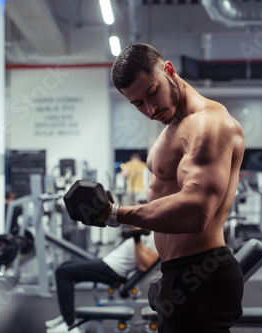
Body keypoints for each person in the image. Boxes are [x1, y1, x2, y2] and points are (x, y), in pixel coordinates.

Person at [105, 43, 245, 332]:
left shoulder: (208, 124)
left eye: (152, 92)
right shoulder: (173, 129)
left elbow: (196, 212)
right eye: (138, 104)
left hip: (202, 273)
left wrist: (117, 214)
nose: (150, 108)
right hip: (178, 273)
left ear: (169, 70)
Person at [46, 229, 159, 333]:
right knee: (65, 266)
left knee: (63, 273)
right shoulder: (150, 232)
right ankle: (66, 315)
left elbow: (144, 266)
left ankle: (69, 325)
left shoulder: (155, 237)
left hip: (112, 269)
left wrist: (137, 238)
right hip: (108, 264)